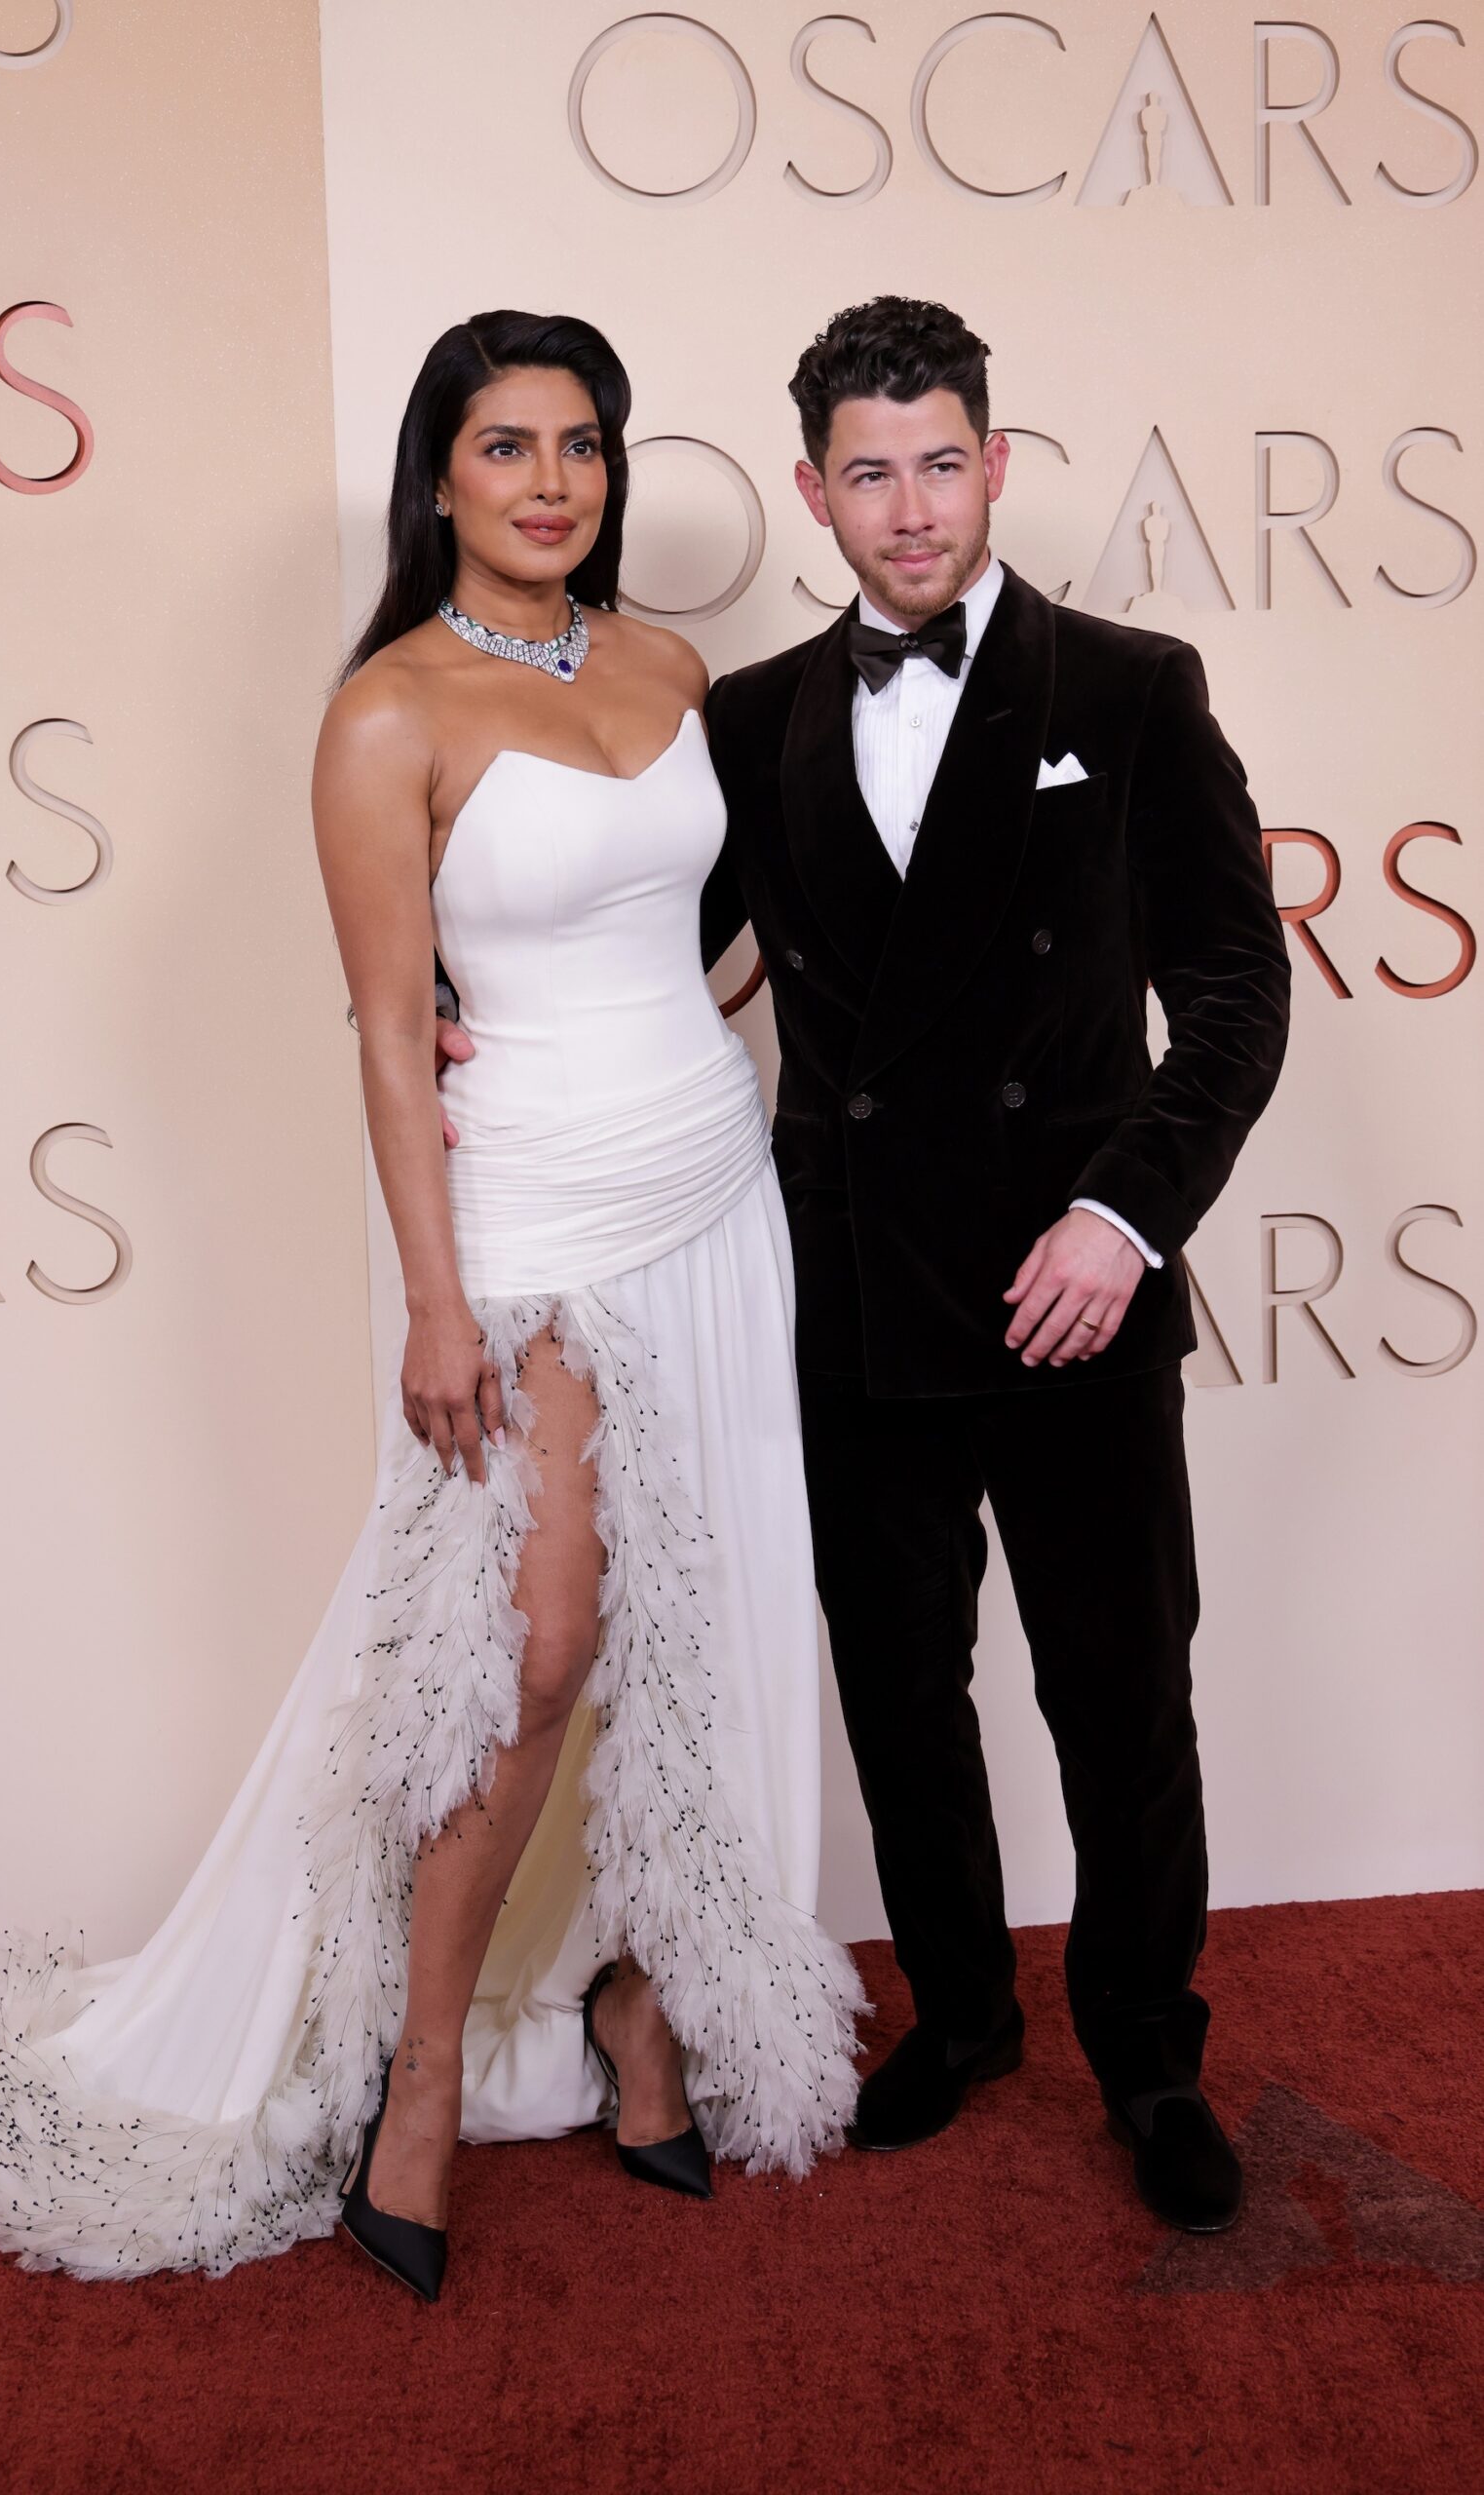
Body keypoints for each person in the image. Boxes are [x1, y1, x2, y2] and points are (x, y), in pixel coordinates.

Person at [0, 310, 863, 2300]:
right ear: (439, 476)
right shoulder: (385, 711)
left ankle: (639, 2016)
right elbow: (394, 1037)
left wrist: (720, 1028)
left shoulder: (672, 668)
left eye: (577, 442)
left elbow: (714, 929)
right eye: (506, 445)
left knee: (705, 1625)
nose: (548, 479)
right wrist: (432, 1298)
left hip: (709, 1190)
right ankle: (411, 2075)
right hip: (528, 1222)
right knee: (533, 1650)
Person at [697, 296, 1290, 2234]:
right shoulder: (748, 717)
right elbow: (653, 961)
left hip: (1071, 1285)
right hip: (854, 1280)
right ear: (810, 489)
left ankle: (1144, 2047)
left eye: (936, 458)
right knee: (897, 1675)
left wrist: (1123, 1215)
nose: (906, 503)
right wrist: (464, 1019)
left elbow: (1226, 988)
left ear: (993, 462)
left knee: (1119, 1689)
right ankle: (957, 2013)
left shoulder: (1125, 687)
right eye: (864, 470)